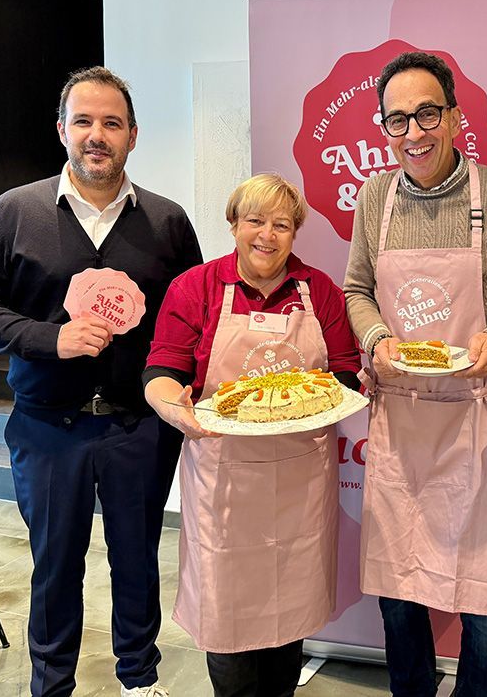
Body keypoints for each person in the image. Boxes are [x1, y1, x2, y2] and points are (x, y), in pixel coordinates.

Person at [0, 66, 202, 697]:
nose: (97, 135)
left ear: (133, 136)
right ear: (62, 129)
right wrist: (48, 338)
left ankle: (138, 679)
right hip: (46, 428)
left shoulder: (167, 222)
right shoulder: (15, 212)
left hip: (137, 428)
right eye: (83, 120)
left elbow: (191, 318)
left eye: (112, 123)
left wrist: (183, 387)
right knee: (54, 566)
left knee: (138, 560)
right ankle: (51, 684)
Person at [343, 51, 487, 697]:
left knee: (484, 594)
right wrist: (376, 337)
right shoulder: (375, 197)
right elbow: (357, 290)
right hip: (401, 420)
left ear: (456, 117)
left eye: (427, 114)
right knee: (399, 586)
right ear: (384, 128)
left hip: (474, 421)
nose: (414, 133)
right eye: (397, 120)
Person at [143, 174, 362, 696]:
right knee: (228, 610)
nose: (267, 235)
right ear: (233, 224)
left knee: (291, 604)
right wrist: (175, 408)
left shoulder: (319, 291)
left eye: (281, 225)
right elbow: (162, 368)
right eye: (255, 221)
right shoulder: (195, 287)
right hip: (224, 478)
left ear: (295, 232)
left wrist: (317, 395)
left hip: (300, 478)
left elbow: (345, 370)